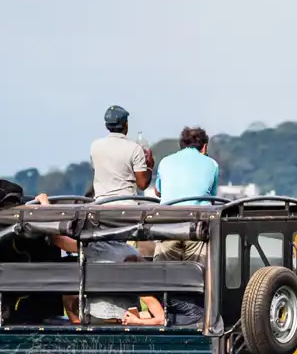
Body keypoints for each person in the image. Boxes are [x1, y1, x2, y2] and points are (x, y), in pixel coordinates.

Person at [36, 193, 203, 326]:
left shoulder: (96, 248)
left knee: (69, 296)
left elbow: (59, 240)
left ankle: (78, 326)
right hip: (126, 314)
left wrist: (45, 206)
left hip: (101, 316)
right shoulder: (129, 252)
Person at [153, 127, 219, 263]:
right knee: (198, 275)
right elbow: (211, 197)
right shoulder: (212, 164)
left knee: (163, 274)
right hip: (196, 226)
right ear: (205, 147)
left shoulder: (165, 161)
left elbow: (158, 191)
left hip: (167, 225)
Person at [90, 105, 154, 202]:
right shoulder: (135, 148)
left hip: (101, 205)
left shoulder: (95, 146)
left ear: (107, 125)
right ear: (126, 125)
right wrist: (149, 166)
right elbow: (142, 184)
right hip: (127, 206)